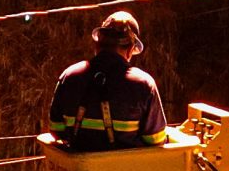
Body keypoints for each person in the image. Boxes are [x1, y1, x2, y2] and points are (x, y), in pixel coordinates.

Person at [48, 10, 171, 152]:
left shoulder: (69, 76)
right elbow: (155, 139)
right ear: (131, 49)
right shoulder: (143, 84)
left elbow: (56, 129)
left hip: (78, 170)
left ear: (97, 45)